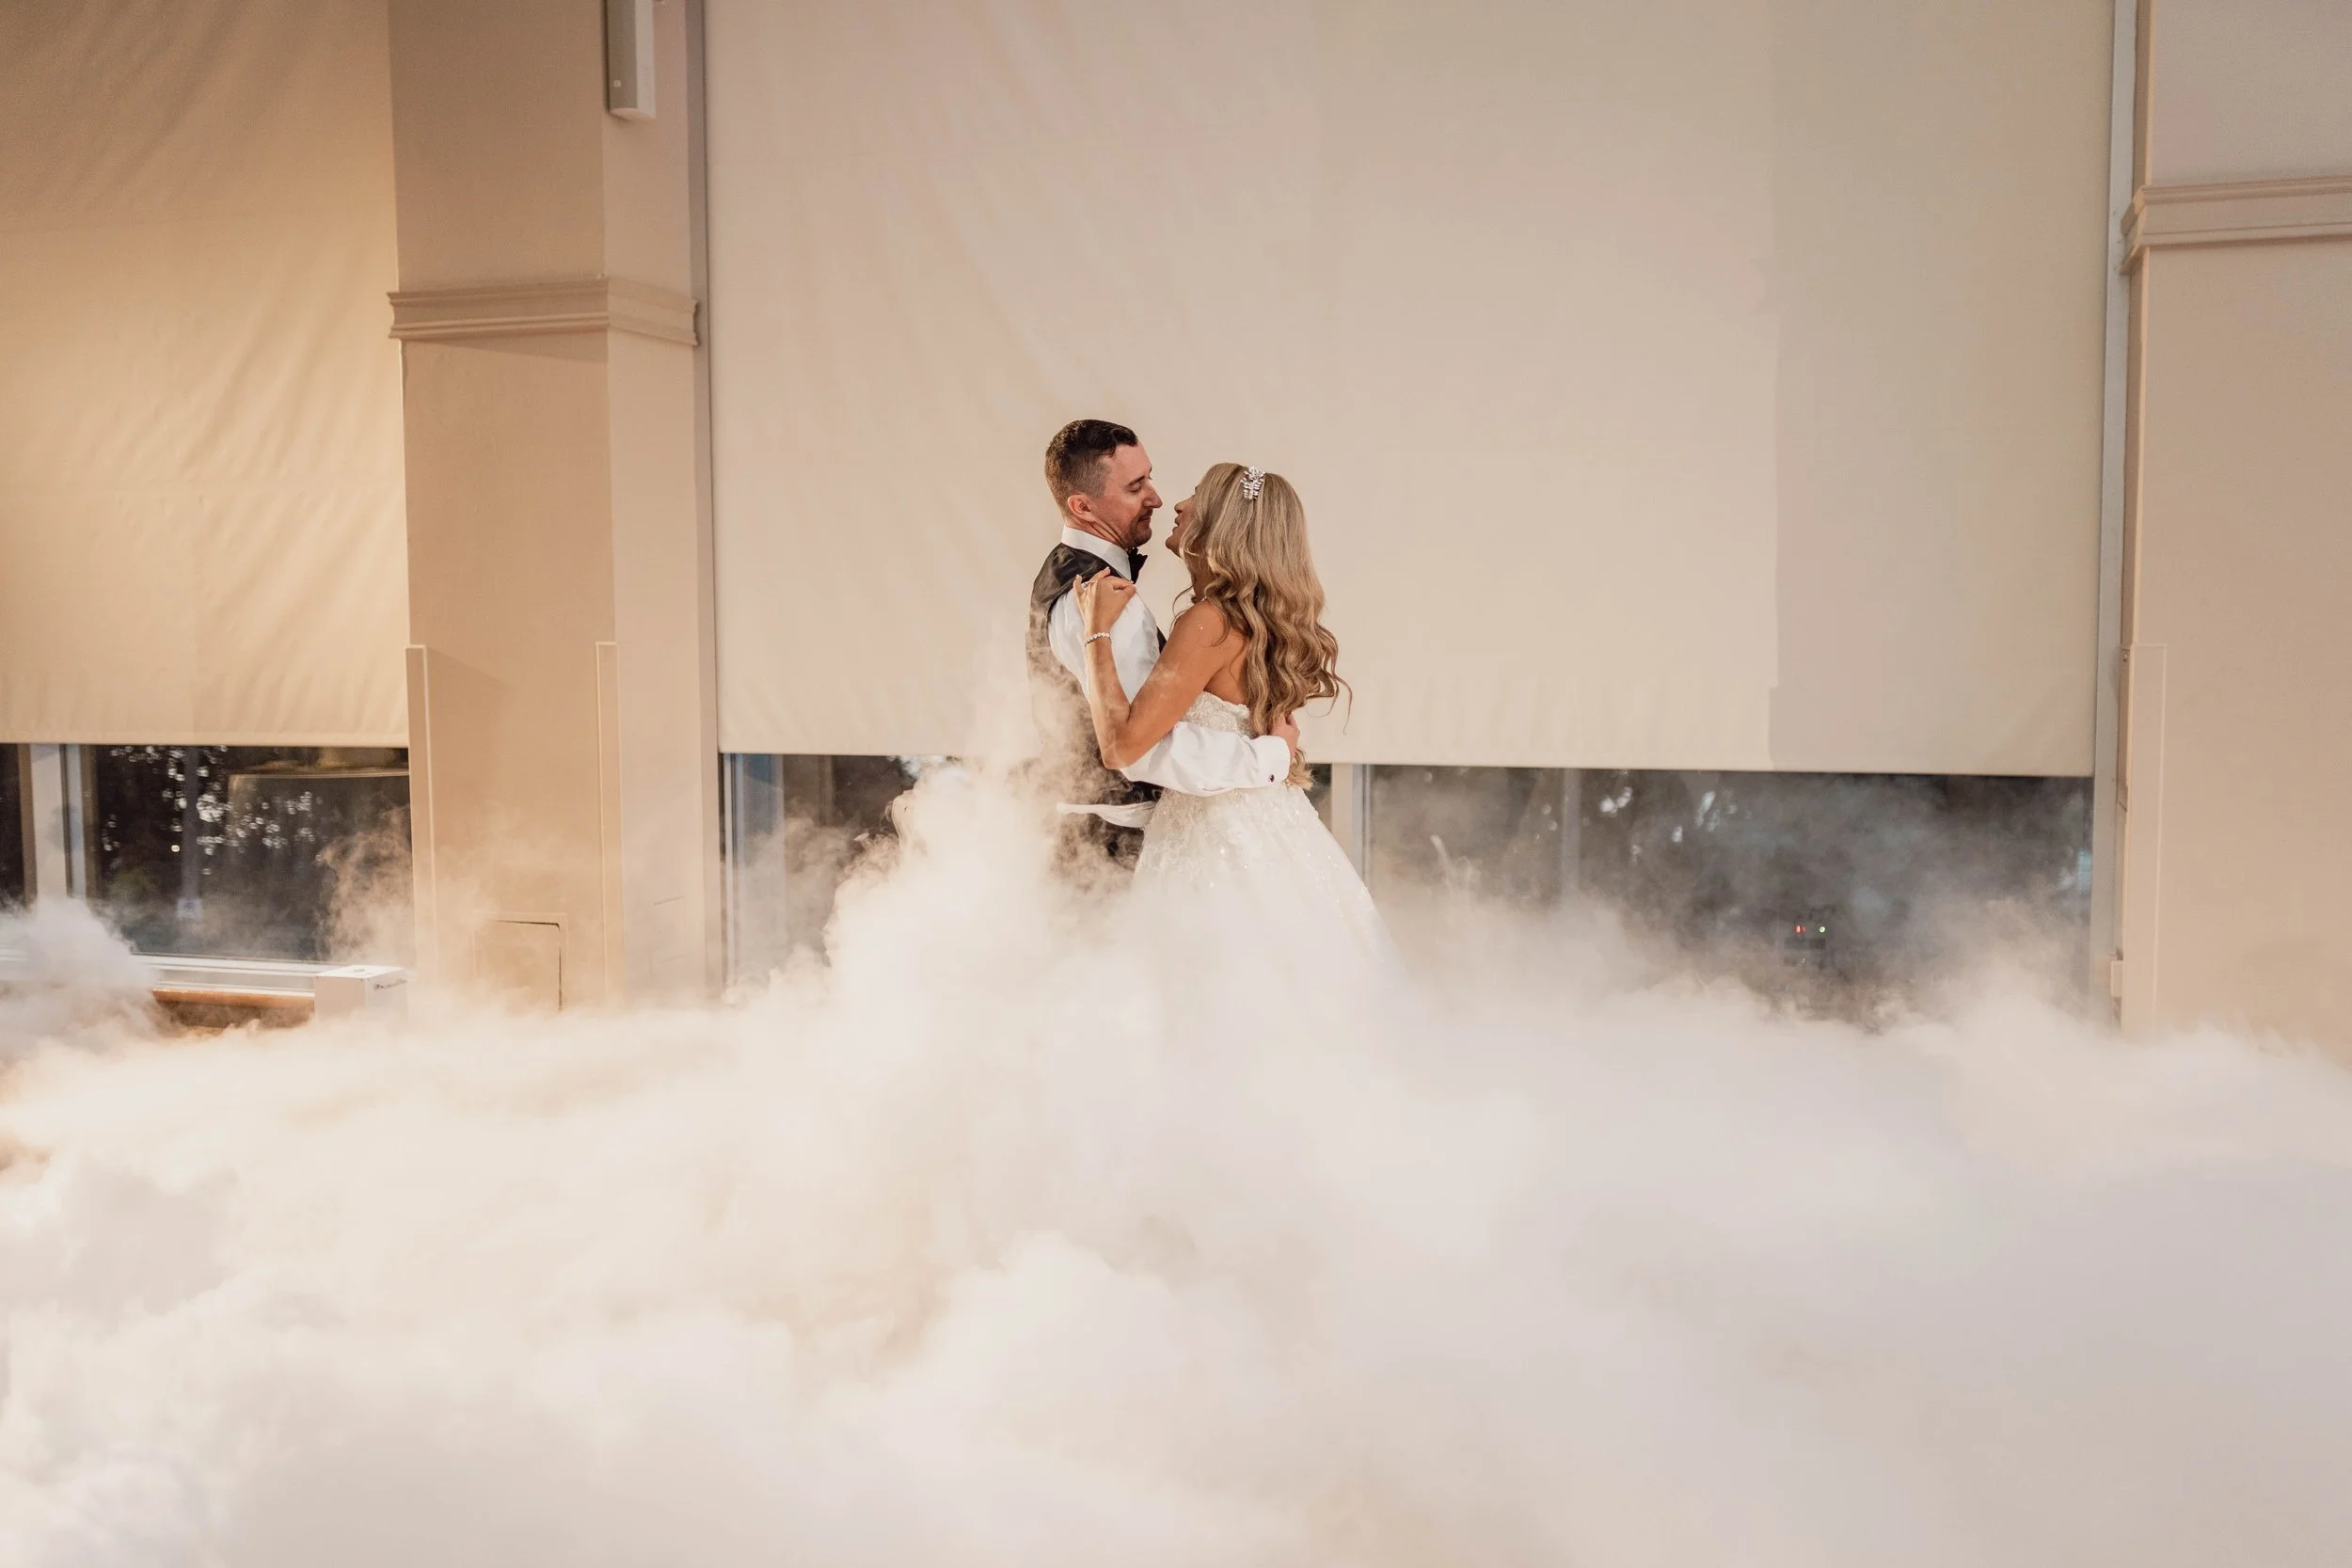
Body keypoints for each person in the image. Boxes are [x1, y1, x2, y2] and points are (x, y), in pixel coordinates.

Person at [1072, 463, 1388, 958]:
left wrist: (1096, 632)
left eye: (1196, 495)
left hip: (1211, 844)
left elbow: (1121, 746)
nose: (1177, 505)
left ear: (1223, 522)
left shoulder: (1208, 622)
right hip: (1275, 831)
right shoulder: (1252, 622)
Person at [1028, 420, 1296, 870]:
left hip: (1149, 838)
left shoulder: (1110, 594)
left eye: (1149, 477)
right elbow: (1141, 750)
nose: (1157, 497)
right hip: (1115, 848)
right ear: (1082, 506)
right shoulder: (1095, 597)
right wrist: (1270, 756)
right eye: (1136, 487)